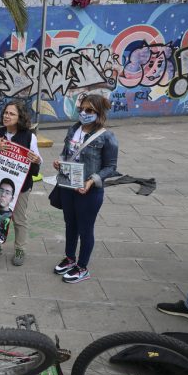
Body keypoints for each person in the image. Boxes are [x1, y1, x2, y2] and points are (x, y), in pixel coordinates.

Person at [53, 94, 118, 283]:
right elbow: (66, 153)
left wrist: (91, 181)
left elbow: (111, 167)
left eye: (89, 110)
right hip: (68, 186)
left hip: (89, 191)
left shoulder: (107, 136)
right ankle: (70, 258)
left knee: (85, 228)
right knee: (70, 224)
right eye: (81, 109)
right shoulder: (73, 129)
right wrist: (60, 161)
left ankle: (82, 267)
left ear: (98, 113)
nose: (83, 113)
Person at [0, 101, 42, 266]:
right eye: (6, 113)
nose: (6, 116)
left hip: (21, 186)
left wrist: (36, 159)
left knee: (19, 219)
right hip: (0, 184)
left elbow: (38, 159)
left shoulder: (29, 136)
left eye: (11, 114)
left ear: (20, 117)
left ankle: (20, 249)